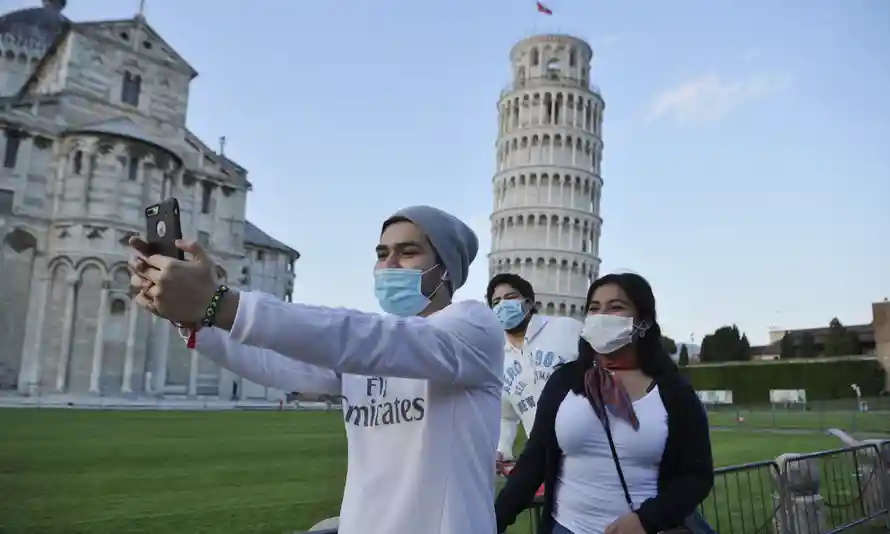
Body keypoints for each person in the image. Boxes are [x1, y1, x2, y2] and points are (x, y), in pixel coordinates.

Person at [128, 206, 504, 534]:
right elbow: (274, 363)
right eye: (381, 253)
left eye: (408, 253)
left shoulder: (471, 326)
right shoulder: (373, 351)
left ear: (445, 269)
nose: (388, 265)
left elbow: (360, 337)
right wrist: (193, 318)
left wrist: (219, 302)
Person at [495, 272, 714, 534]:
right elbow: (534, 461)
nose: (602, 316)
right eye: (594, 309)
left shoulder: (674, 392)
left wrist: (647, 519)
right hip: (567, 527)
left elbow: (697, 476)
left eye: (616, 307)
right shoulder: (564, 382)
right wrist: (494, 519)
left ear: (642, 320)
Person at [486, 273, 582, 467]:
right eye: (496, 302)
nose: (503, 305)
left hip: (588, 447)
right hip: (544, 459)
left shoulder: (566, 329)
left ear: (528, 303)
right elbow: (507, 415)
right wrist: (502, 450)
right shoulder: (498, 357)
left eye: (510, 297)